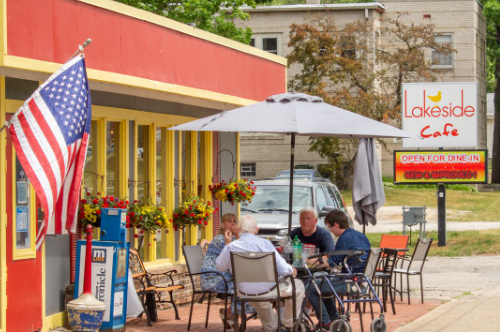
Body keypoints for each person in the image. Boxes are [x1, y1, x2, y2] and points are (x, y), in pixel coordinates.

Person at [216, 215, 305, 332]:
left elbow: (220, 266)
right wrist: (291, 270)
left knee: (258, 297)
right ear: (256, 230)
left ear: (240, 229)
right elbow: (283, 269)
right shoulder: (265, 244)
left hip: (244, 291)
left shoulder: (231, 246)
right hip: (269, 289)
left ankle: (273, 328)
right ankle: (288, 323)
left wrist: (227, 246)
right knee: (298, 285)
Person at [306, 210, 371, 331]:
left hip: (350, 283)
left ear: (336, 225)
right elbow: (341, 255)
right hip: (364, 281)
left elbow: (331, 263)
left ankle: (325, 322)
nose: (330, 230)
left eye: (329, 226)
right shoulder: (360, 236)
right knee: (322, 282)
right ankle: (334, 319)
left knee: (311, 286)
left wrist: (311, 262)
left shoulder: (344, 238)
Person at [200, 213, 254, 328]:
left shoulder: (233, 238)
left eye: (235, 221)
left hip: (226, 274)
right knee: (242, 286)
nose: (233, 223)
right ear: (223, 225)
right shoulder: (220, 239)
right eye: (230, 221)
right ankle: (231, 313)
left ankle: (230, 312)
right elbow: (230, 260)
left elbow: (244, 252)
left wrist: (237, 235)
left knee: (247, 284)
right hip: (213, 277)